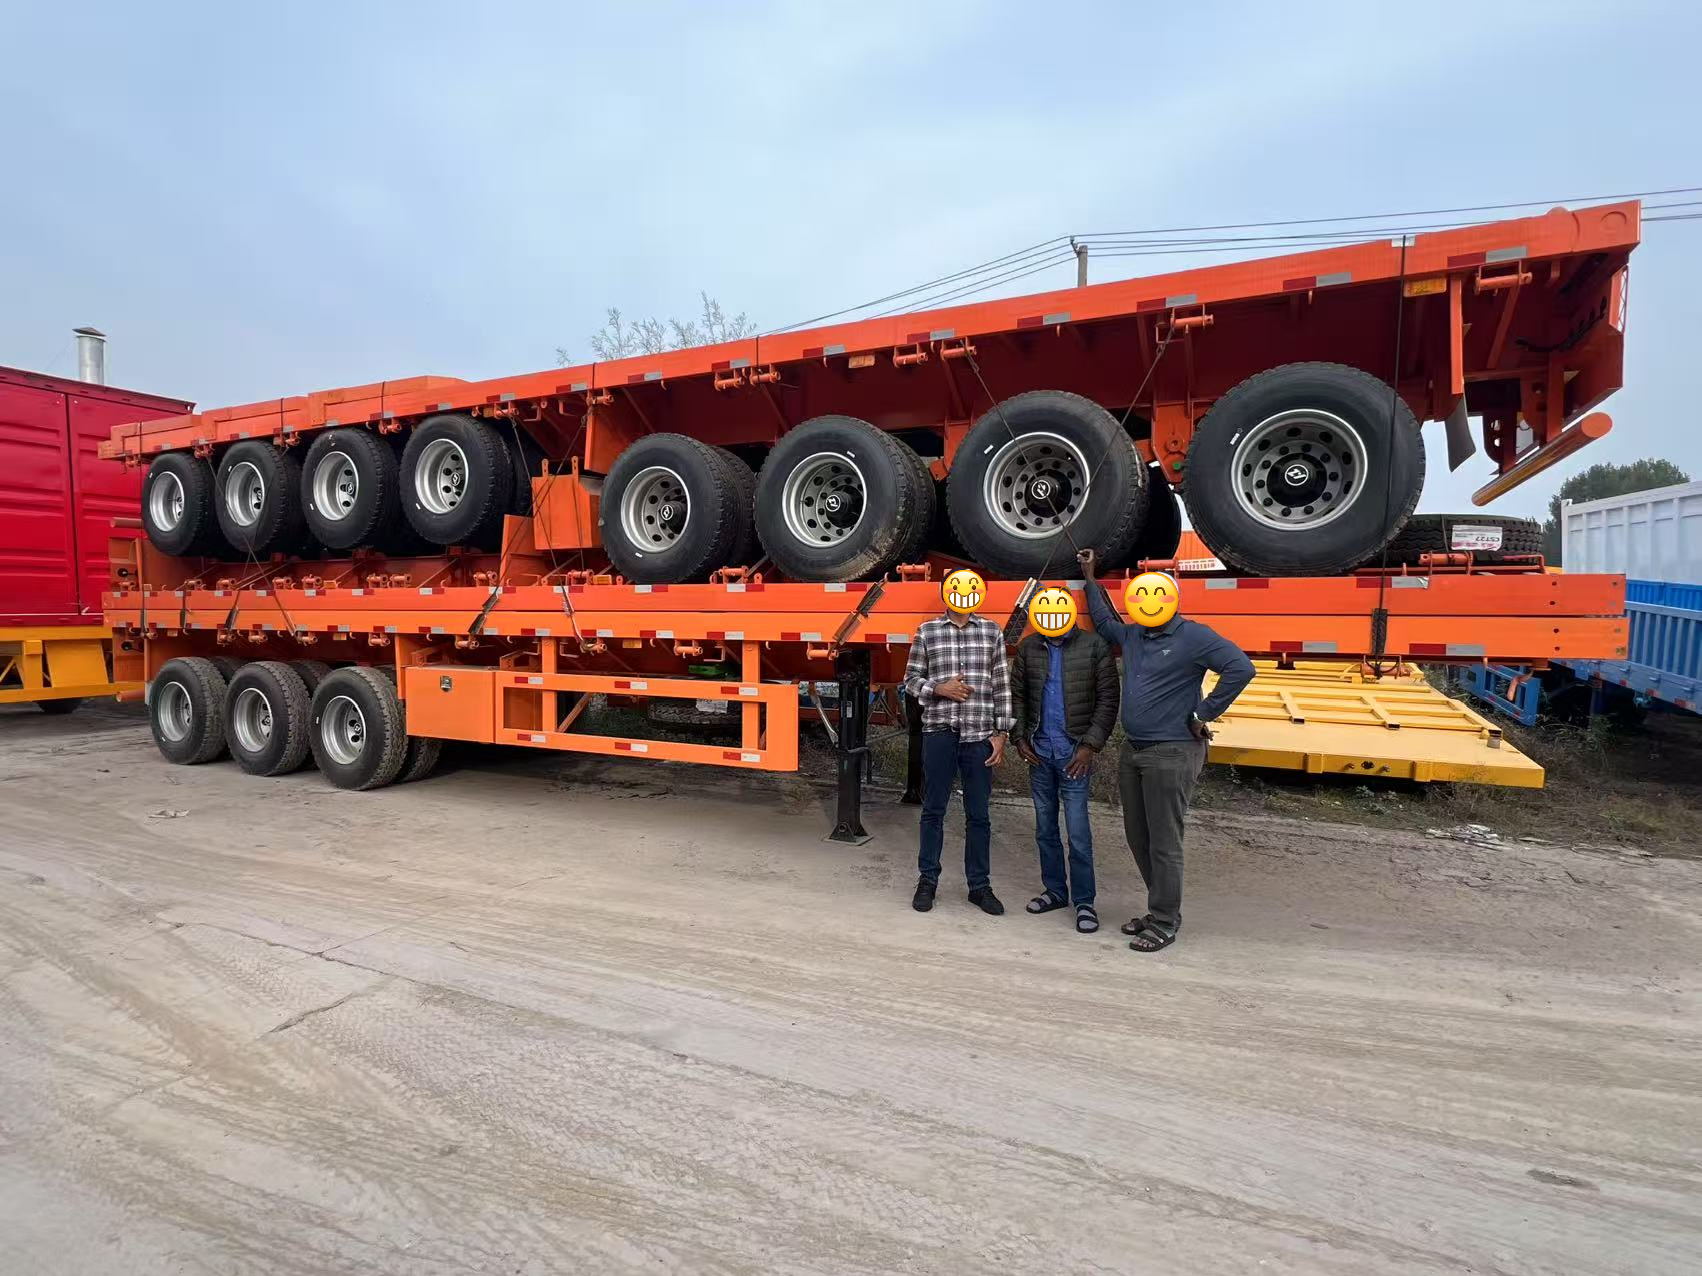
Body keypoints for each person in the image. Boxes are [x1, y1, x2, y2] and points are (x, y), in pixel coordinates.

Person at [1078, 549, 1255, 953]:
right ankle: (1160, 909)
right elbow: (1104, 623)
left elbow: (1241, 668)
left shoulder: (1193, 636)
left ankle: (1164, 922)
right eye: (1141, 598)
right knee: (1138, 837)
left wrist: (1204, 712)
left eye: (1157, 596)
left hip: (1172, 752)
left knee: (1164, 841)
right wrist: (1089, 577)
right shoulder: (1135, 634)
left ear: (1172, 599)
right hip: (1136, 750)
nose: (1148, 603)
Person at [902, 568, 1013, 916]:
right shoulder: (928, 632)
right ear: (946, 592)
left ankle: (979, 886)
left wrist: (1002, 733)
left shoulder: (992, 633)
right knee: (933, 810)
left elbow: (1001, 686)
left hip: (979, 736)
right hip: (940, 733)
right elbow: (910, 680)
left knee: (978, 815)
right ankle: (927, 881)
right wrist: (939, 688)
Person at [1010, 587, 1119, 935]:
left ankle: (1084, 902)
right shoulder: (1029, 647)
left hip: (1074, 757)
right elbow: (1017, 696)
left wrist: (1090, 746)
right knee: (1045, 831)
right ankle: (1055, 892)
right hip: (1040, 755)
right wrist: (1019, 737)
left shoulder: (1094, 646)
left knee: (1078, 834)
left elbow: (1108, 700)